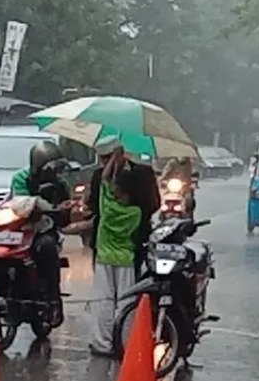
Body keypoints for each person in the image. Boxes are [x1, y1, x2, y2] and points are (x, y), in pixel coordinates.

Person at [77, 142, 157, 356]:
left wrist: (113, 163)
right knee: (127, 299)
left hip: (104, 256)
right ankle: (124, 342)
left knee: (103, 299)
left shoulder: (106, 201)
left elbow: (102, 188)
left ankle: (102, 343)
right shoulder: (135, 212)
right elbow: (152, 206)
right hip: (128, 256)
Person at [11, 141, 71, 327]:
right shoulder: (21, 178)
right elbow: (20, 203)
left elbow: (65, 216)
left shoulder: (61, 184)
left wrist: (61, 210)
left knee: (46, 247)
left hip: (44, 230)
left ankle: (54, 300)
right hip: (18, 229)